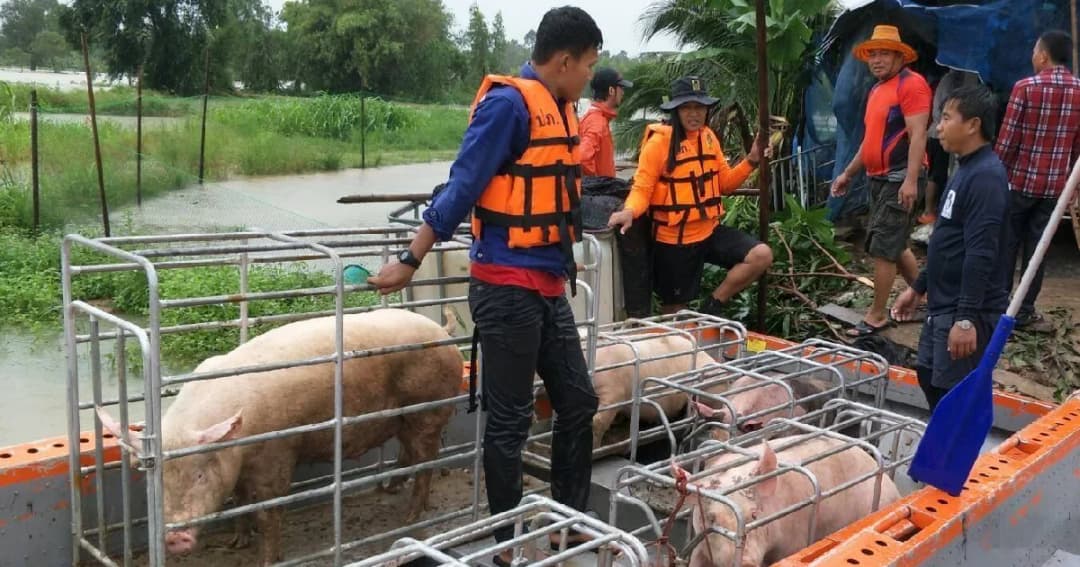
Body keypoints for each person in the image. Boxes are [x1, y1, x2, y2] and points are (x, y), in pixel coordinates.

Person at [367, 7, 602, 565]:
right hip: (504, 288)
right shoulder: (508, 105)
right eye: (588, 65)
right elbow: (462, 184)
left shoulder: (564, 108)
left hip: (545, 286)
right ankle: (507, 545)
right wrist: (410, 256)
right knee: (510, 419)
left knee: (578, 401)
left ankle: (567, 525)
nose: (590, 75)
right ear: (565, 61)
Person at [607, 76, 772, 315]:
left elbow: (725, 184)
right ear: (675, 110)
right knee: (674, 310)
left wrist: (752, 160)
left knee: (761, 255)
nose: (694, 114)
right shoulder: (659, 144)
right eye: (687, 107)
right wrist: (629, 211)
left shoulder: (708, 137)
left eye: (699, 107)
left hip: (708, 231)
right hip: (674, 242)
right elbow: (642, 187)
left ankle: (713, 306)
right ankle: (675, 344)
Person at [892, 84, 1011, 411]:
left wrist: (966, 319)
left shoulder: (986, 177)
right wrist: (917, 288)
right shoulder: (964, 170)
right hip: (942, 304)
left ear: (973, 125)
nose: (938, 127)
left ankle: (959, 458)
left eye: (945, 118)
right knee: (929, 375)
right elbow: (948, 242)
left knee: (954, 394)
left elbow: (981, 252)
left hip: (965, 308)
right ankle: (942, 446)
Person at [830, 25, 932, 337]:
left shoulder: (911, 85)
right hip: (879, 178)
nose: (876, 59)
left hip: (900, 177)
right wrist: (848, 173)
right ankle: (923, 296)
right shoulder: (877, 89)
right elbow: (869, 142)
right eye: (872, 53)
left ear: (900, 56)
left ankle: (875, 316)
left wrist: (911, 180)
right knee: (894, 242)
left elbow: (917, 135)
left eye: (884, 53)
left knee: (881, 248)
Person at [995, 30, 1080, 333]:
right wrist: (1073, 185)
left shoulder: (1025, 88)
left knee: (1007, 245)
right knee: (1038, 249)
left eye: (1034, 51)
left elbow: (1007, 141)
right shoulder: (1079, 91)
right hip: (1055, 188)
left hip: (1019, 184)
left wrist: (994, 173)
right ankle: (1025, 311)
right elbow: (1077, 148)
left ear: (1043, 55)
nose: (1032, 57)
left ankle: (1000, 305)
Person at [923, 69, 981, 227]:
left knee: (938, 174)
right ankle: (928, 212)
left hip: (939, 133)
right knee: (936, 174)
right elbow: (942, 112)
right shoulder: (951, 81)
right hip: (937, 136)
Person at [579, 66, 632, 177]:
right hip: (600, 192)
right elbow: (582, 157)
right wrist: (598, 184)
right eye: (621, 87)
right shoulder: (597, 122)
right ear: (611, 90)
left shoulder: (594, 118)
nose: (623, 92)